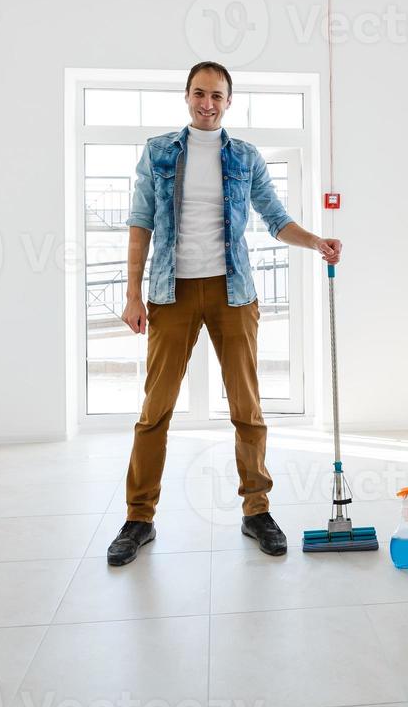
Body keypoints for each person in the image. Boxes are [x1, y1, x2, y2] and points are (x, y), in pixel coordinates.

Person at [107, 61, 342, 565]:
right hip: (171, 293)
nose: (207, 103)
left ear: (229, 101)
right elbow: (140, 223)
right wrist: (132, 293)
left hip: (234, 293)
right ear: (186, 97)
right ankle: (138, 517)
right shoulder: (159, 152)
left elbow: (276, 220)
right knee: (155, 410)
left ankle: (257, 510)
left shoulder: (245, 157)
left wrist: (315, 241)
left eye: (216, 95)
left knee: (248, 407)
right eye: (199, 94)